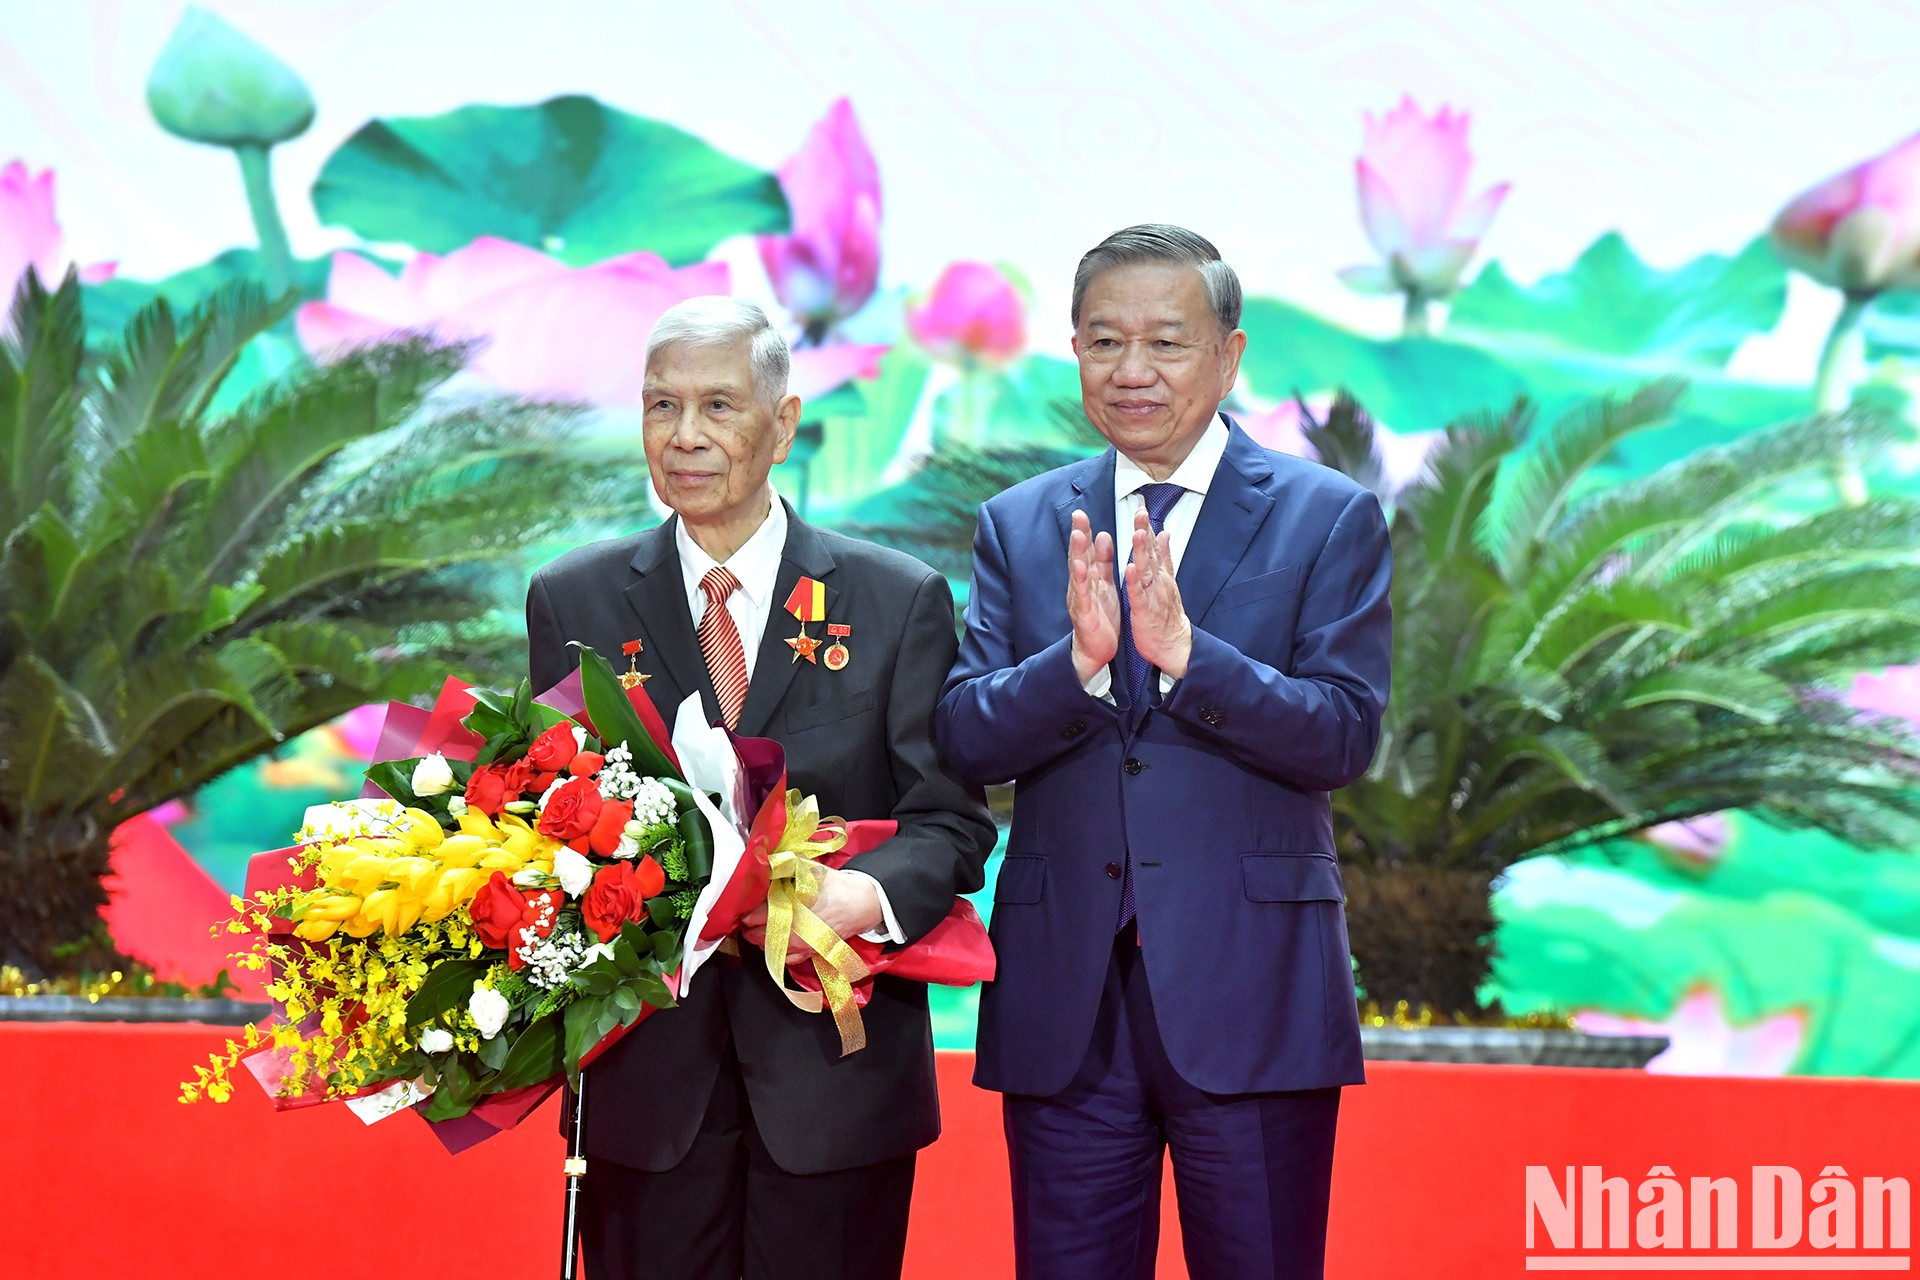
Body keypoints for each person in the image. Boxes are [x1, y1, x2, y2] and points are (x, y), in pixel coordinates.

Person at [934, 225, 1392, 1279]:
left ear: (1229, 355)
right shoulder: (1021, 521)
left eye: (1166, 342)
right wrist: (1078, 667)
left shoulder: (1327, 518)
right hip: (1067, 1006)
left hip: (1253, 993)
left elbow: (1343, 733)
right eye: (1104, 341)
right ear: (1077, 353)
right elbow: (963, 731)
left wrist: (1193, 660)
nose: (1131, 369)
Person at [527, 296, 995, 1280]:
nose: (684, 436)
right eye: (661, 406)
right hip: (647, 1080)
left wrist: (855, 896)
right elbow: (541, 813)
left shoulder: (893, 597)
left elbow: (947, 820)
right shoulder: (573, 598)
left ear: (782, 423)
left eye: (718, 407)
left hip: (836, 1074)